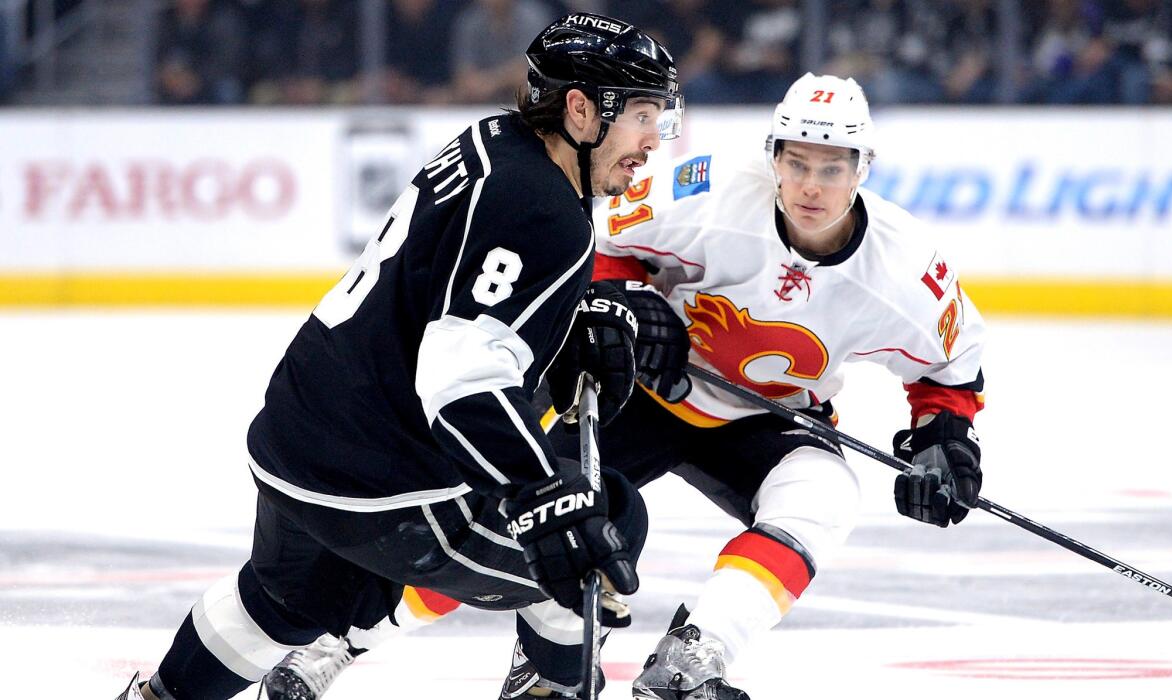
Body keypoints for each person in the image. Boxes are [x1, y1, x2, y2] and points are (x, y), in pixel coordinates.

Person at [262, 72, 985, 700]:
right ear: (772, 157)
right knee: (520, 512)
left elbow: (949, 375)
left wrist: (945, 446)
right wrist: (629, 305)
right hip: (638, 387)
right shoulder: (705, 193)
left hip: (764, 421)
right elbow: (596, 248)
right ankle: (343, 641)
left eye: (833, 168)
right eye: (796, 163)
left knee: (826, 494)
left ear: (864, 169)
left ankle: (694, 657)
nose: (810, 186)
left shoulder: (905, 272)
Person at [114, 12, 683, 700]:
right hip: (385, 479)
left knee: (285, 602)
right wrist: (541, 497)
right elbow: (461, 379)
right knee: (603, 522)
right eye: (644, 115)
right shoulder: (544, 208)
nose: (655, 140)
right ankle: (545, 684)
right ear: (581, 108)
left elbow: (445, 291)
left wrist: (561, 326)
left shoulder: (494, 140)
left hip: (298, 436)